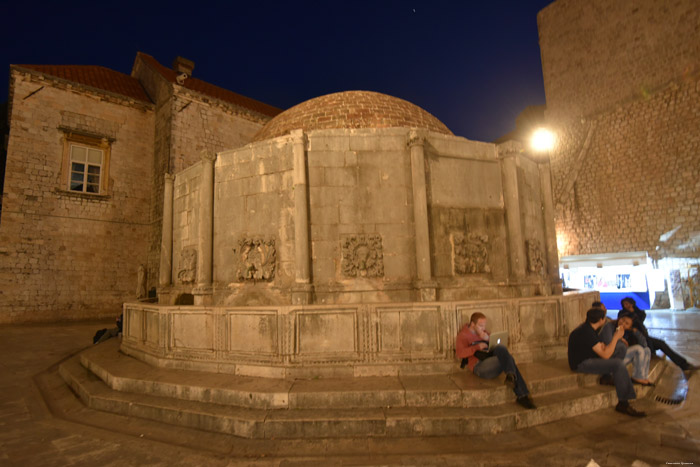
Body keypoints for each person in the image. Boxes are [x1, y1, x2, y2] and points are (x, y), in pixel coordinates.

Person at [568, 307, 645, 417]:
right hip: (582, 363)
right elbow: (606, 355)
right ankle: (623, 403)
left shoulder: (588, 328)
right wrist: (616, 337)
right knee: (618, 365)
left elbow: (600, 346)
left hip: (590, 357)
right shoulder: (587, 332)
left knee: (621, 348)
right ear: (601, 320)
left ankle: (607, 377)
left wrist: (614, 341)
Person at [456, 312, 536, 410]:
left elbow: (494, 343)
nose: (483, 328)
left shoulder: (484, 333)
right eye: (480, 326)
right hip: (479, 366)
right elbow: (460, 354)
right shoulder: (463, 335)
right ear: (472, 324)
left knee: (501, 349)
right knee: (508, 359)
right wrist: (477, 347)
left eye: (484, 325)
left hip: (490, 360)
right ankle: (521, 394)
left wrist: (487, 338)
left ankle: (511, 376)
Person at [620, 297, 698, 376]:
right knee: (650, 344)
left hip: (644, 336)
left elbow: (641, 319)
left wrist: (633, 312)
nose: (626, 305)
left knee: (661, 344)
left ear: (632, 303)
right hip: (634, 338)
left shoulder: (637, 311)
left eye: (627, 303)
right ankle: (651, 352)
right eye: (624, 304)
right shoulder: (623, 313)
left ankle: (684, 364)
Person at [599, 311, 653, 386]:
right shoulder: (609, 326)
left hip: (620, 356)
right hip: (610, 358)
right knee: (637, 349)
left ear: (630, 327)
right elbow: (609, 345)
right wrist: (619, 338)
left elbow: (644, 345)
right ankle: (637, 377)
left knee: (647, 350)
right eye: (623, 319)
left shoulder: (628, 332)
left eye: (627, 323)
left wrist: (636, 332)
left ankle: (643, 377)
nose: (623, 323)